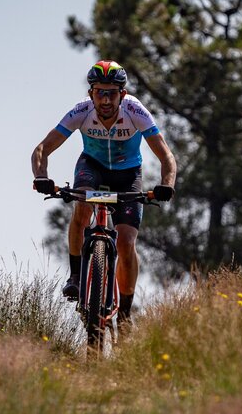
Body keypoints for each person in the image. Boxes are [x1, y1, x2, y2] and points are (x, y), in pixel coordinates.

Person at [31, 60, 177, 329]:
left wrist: (166, 184)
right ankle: (76, 277)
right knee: (82, 205)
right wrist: (41, 176)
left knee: (126, 242)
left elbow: (166, 156)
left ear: (123, 94)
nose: (106, 100)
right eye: (100, 93)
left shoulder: (135, 111)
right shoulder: (81, 111)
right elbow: (42, 149)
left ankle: (125, 313)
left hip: (128, 174)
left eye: (112, 93)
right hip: (92, 167)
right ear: (91, 94)